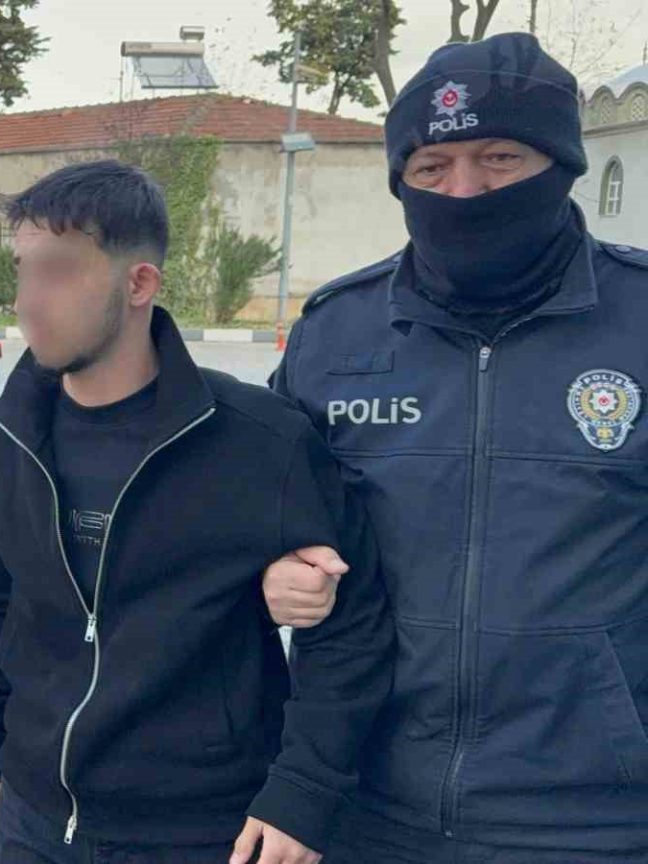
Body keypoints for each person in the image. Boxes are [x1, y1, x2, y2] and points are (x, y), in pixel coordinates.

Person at [264, 32, 648, 862]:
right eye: (432, 167)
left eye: (499, 158)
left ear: (562, 163)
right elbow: (255, 508)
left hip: (598, 821)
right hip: (370, 806)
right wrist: (272, 564)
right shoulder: (337, 333)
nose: (464, 190)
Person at [0, 160, 395, 864]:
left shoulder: (260, 440)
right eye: (23, 270)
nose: (27, 301)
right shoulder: (13, 432)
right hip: (35, 818)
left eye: (58, 272)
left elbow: (354, 628)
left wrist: (303, 793)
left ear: (140, 284)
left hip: (200, 829)